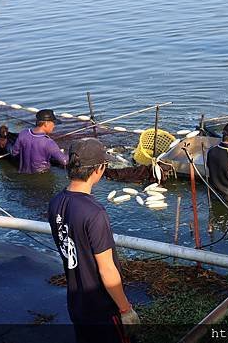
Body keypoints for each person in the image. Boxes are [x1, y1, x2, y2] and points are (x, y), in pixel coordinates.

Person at [48, 138, 139, 343]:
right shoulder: (94, 212)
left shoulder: (55, 203)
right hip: (102, 308)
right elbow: (106, 269)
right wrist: (125, 309)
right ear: (98, 169)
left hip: (77, 302)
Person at [10, 109, 68, 173]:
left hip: (23, 173)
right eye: (53, 123)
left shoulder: (23, 133)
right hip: (41, 176)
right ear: (46, 124)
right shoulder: (48, 142)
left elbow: (14, 152)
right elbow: (64, 161)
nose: (54, 126)